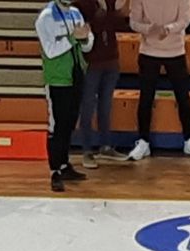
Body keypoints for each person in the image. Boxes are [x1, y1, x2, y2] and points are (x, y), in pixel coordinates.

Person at [128, 0, 190, 161]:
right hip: (148, 52)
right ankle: (143, 141)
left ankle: (189, 140)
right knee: (145, 98)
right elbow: (133, 22)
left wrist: (168, 29)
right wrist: (150, 29)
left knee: (183, 97)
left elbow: (184, 20)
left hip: (175, 51)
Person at [35, 0, 93, 193]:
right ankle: (54, 171)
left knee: (69, 123)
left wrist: (85, 38)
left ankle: (64, 164)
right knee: (57, 125)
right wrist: (74, 37)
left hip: (76, 76)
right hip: (58, 79)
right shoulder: (46, 18)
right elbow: (51, 51)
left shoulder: (76, 12)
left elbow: (87, 45)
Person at [76, 0, 130, 168]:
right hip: (91, 63)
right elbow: (80, 32)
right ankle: (86, 150)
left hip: (111, 60)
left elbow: (119, 21)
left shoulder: (110, 3)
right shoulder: (81, 5)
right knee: (88, 106)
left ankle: (105, 146)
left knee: (106, 106)